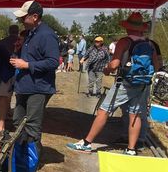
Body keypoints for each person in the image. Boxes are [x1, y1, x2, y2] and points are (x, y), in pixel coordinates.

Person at [67, 12, 162, 155]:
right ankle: (131, 149)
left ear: (128, 27)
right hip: (142, 84)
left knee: (104, 110)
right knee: (134, 115)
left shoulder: (125, 42)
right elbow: (156, 66)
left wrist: (106, 69)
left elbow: (114, 64)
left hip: (124, 83)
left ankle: (87, 143)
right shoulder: (150, 44)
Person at [10, 0, 59, 150]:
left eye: (23, 18)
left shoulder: (47, 35)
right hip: (24, 86)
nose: (20, 21)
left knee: (32, 127)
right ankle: (21, 155)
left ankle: (31, 162)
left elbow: (53, 62)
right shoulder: (31, 34)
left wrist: (27, 65)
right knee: (18, 121)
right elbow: (32, 56)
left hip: (38, 88)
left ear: (35, 16)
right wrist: (18, 51)